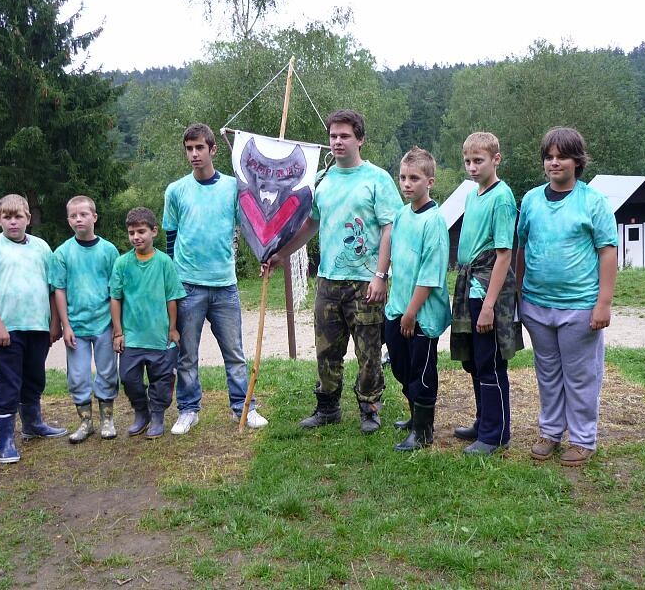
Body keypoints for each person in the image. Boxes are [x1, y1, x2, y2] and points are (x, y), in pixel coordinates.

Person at [265, 109, 403, 433]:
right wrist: (282, 254)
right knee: (327, 349)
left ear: (360, 139)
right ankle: (327, 407)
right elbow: (311, 223)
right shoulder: (322, 181)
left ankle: (370, 407)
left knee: (369, 350)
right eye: (333, 136)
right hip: (328, 280)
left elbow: (390, 227)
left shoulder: (377, 179)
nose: (338, 141)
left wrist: (381, 275)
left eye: (345, 136)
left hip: (366, 282)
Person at [518, 127, 617, 466]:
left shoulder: (593, 201)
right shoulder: (531, 200)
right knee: (547, 374)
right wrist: (519, 297)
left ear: (577, 161)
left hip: (580, 307)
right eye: (549, 157)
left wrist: (603, 303)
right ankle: (549, 432)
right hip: (536, 304)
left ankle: (583, 439)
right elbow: (522, 247)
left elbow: (607, 251)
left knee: (580, 377)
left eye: (562, 156)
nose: (554, 162)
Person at [162, 123, 268, 435]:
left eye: (200, 147)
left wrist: (264, 254)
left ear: (213, 149)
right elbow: (170, 237)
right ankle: (188, 410)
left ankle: (243, 408)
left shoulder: (233, 188)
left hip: (224, 285)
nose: (194, 154)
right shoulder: (176, 190)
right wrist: (171, 282)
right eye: (189, 149)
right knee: (187, 354)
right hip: (188, 285)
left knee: (234, 353)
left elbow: (249, 225)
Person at [0, 194, 66, 464]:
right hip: (6, 331)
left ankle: (32, 424)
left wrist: (54, 322)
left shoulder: (41, 247)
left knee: (35, 377)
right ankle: (6, 441)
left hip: (37, 327)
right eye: (7, 217)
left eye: (18, 216)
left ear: (28, 218)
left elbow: (53, 287)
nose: (13, 222)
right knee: (10, 382)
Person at [450, 132, 523, 455]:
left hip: (488, 289)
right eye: (467, 161)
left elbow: (504, 254)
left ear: (496, 159)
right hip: (469, 285)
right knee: (474, 361)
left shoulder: (502, 197)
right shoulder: (473, 194)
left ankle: (495, 435)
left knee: (490, 361)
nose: (472, 167)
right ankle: (484, 423)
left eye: (478, 161)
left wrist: (489, 306)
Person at [384, 148, 451, 450]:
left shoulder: (434, 221)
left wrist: (411, 313)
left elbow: (429, 275)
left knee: (421, 371)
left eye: (414, 178)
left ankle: (424, 431)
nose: (407, 184)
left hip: (421, 314)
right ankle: (414, 416)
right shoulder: (402, 214)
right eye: (403, 177)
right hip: (398, 308)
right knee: (401, 366)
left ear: (430, 182)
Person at [110, 207, 186, 439]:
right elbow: (115, 298)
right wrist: (118, 332)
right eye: (131, 233)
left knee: (162, 380)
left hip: (160, 336)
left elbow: (172, 297)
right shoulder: (122, 263)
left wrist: (172, 329)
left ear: (154, 231)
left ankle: (158, 416)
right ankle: (141, 413)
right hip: (132, 337)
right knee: (129, 378)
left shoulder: (164, 262)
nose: (136, 237)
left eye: (141, 231)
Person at [50, 196, 120, 443]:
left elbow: (116, 290)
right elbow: (59, 290)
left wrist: (117, 327)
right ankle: (85, 422)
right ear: (68, 220)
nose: (78, 219)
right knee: (78, 375)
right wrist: (65, 325)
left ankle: (107, 419)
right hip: (76, 327)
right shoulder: (62, 253)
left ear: (94, 217)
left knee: (107, 371)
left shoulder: (109, 251)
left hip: (104, 323)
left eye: (83, 214)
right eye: (73, 216)